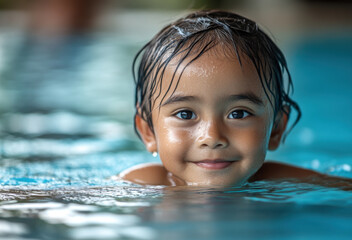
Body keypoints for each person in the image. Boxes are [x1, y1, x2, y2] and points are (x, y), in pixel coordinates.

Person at [119, 10, 349, 187]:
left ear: (276, 128)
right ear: (148, 131)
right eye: (185, 114)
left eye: (238, 113)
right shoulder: (143, 183)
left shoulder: (280, 181)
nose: (212, 137)